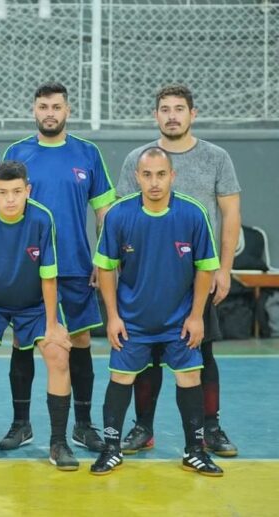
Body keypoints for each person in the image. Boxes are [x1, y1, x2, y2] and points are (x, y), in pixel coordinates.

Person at [115, 85, 241, 458]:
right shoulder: (137, 158)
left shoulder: (216, 157)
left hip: (196, 277)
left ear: (192, 114)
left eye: (179, 109)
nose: (172, 115)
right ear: (156, 116)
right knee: (146, 354)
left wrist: (223, 267)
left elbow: (230, 213)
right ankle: (143, 427)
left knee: (202, 352)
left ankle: (211, 428)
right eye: (165, 109)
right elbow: (121, 212)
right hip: (146, 276)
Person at [91, 147, 223, 477]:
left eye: (161, 174)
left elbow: (205, 268)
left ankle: (195, 450)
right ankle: (111, 448)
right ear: (137, 177)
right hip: (133, 320)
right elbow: (105, 268)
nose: (154, 182)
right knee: (121, 377)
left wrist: (196, 316)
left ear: (172, 176)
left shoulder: (193, 214)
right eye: (147, 175)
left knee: (189, 376)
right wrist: (113, 316)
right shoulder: (119, 215)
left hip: (179, 320)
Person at [2, 82, 114, 453]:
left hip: (75, 266)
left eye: (56, 106)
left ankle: (82, 424)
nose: (50, 112)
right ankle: (21, 425)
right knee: (22, 341)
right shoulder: (18, 154)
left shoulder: (88, 153)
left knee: (79, 341)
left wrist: (103, 258)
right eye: (43, 106)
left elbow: (104, 213)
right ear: (34, 110)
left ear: (68, 110)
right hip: (27, 271)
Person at [0, 161, 75, 469]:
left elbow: (48, 276)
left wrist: (52, 325)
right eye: (3, 192)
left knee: (59, 354)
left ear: (28, 190)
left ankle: (58, 444)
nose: (10, 199)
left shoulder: (41, 218)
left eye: (17, 192)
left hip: (35, 304)